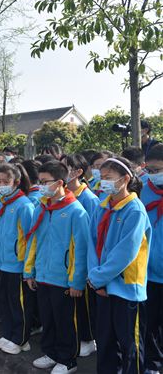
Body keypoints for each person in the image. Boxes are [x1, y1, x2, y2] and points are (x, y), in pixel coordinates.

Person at [24, 161, 89, 374]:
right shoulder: (42, 207)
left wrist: (76, 281)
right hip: (43, 275)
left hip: (64, 279)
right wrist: (30, 271)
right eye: (40, 182)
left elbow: (81, 250)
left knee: (65, 321)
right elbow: (34, 242)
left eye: (45, 182)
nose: (41, 186)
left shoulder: (75, 211)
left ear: (60, 183)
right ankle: (50, 352)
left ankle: (67, 359)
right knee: (48, 318)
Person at [87, 157, 151, 374]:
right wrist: (95, 278)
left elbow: (125, 253)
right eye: (102, 177)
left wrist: (98, 278)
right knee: (105, 342)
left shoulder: (135, 210)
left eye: (108, 178)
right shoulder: (102, 207)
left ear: (125, 179)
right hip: (102, 286)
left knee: (130, 346)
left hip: (126, 290)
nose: (103, 182)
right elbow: (92, 243)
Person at [0, 162, 35, 355]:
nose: (1, 185)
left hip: (17, 265)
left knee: (19, 304)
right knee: (5, 301)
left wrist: (27, 267)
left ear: (16, 182)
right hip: (4, 262)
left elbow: (28, 239)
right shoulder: (4, 202)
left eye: (5, 181)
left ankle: (21, 338)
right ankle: (9, 334)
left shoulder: (24, 205)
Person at [64, 154, 101, 355]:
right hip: (67, 260)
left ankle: (88, 338)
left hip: (84, 260)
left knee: (84, 304)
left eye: (66, 168)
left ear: (78, 172)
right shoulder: (63, 195)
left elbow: (92, 236)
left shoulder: (89, 199)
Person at [142, 144, 163, 373]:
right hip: (148, 271)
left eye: (158, 170)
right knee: (150, 324)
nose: (153, 175)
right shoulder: (143, 189)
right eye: (150, 170)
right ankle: (153, 364)